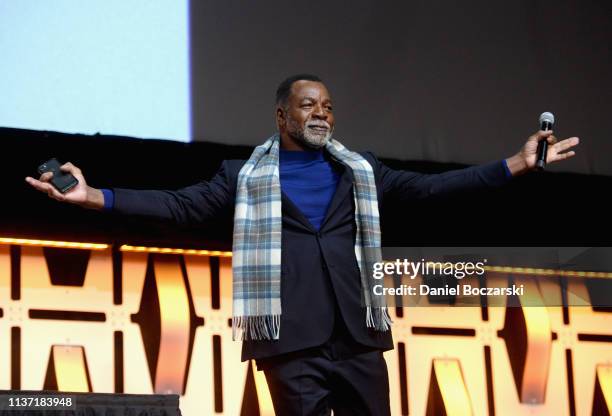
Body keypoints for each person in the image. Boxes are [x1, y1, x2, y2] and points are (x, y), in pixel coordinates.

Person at [26, 74, 579, 415]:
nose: (322, 114)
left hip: (359, 337)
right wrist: (98, 197)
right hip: (290, 343)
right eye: (310, 105)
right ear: (282, 115)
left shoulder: (360, 173)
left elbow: (433, 189)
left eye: (329, 106)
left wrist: (517, 164)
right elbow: (180, 205)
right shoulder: (241, 175)